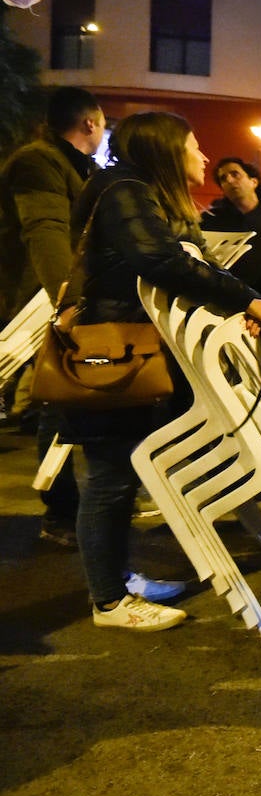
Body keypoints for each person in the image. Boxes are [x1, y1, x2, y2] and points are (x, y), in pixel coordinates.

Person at [68, 111, 261, 632]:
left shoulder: (141, 193)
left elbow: (184, 260)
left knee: (123, 472)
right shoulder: (125, 189)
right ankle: (109, 601)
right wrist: (243, 296)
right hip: (113, 352)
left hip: (135, 349)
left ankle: (118, 579)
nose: (203, 157)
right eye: (195, 145)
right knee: (110, 476)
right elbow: (158, 259)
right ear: (165, 150)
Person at [0, 86, 104, 547]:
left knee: (58, 407)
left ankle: (66, 513)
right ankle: (61, 517)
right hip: (36, 304)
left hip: (48, 301)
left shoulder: (70, 166)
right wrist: (68, 303)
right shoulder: (39, 161)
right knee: (54, 406)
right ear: (90, 124)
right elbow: (45, 232)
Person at [199, 157, 261, 306]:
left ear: (254, 181)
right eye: (223, 178)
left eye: (235, 174)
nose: (229, 180)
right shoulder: (209, 221)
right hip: (221, 307)